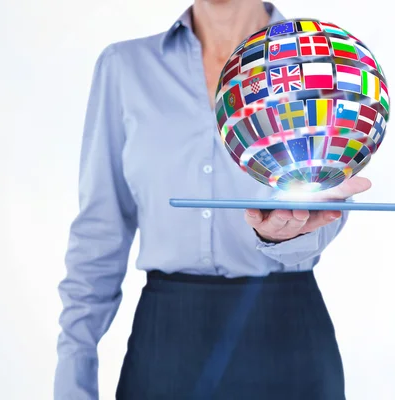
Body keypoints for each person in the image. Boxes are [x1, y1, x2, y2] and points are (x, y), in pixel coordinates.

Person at [54, 0, 372, 398]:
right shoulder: (124, 68)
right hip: (165, 345)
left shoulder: (321, 61)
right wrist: (73, 379)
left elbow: (319, 218)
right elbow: (100, 231)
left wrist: (284, 235)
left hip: (288, 341)